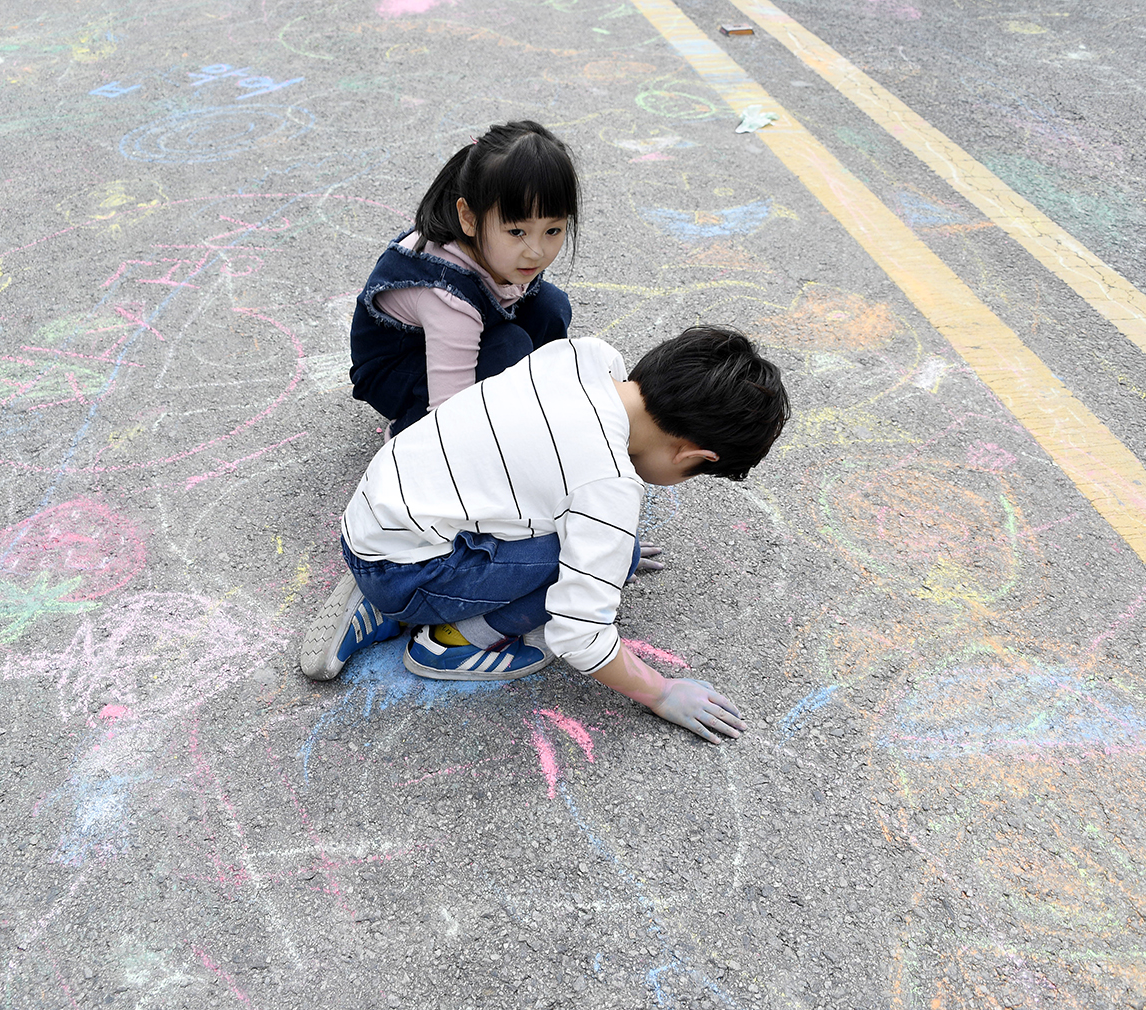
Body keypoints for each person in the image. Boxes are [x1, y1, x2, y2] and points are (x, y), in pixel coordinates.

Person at [300, 325, 791, 744]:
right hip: (409, 570)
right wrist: (662, 693)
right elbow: (579, 635)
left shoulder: (585, 357)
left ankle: (377, 601)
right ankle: (452, 642)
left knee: (610, 550)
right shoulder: (607, 486)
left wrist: (612, 549)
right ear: (693, 456)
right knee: (593, 562)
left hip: (375, 523)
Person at [349, 120, 579, 436]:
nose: (536, 251)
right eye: (517, 231)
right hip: (398, 369)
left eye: (553, 230)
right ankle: (407, 430)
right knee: (509, 347)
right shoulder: (447, 295)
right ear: (469, 218)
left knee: (550, 306)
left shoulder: (503, 251)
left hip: (457, 333)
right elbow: (448, 410)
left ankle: (531, 403)